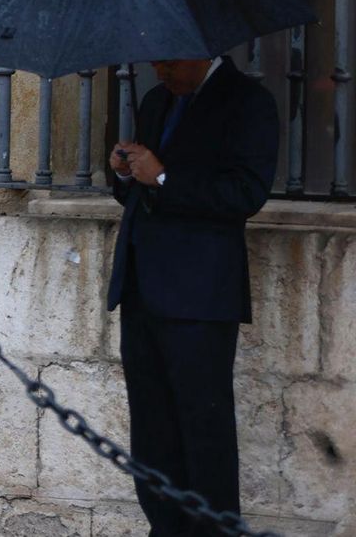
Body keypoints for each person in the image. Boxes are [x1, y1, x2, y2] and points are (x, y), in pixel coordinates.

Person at [107, 55, 279, 537]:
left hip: (200, 294)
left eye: (167, 60)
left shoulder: (249, 102)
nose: (158, 69)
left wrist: (163, 176)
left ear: (199, 50)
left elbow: (245, 194)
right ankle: (165, 528)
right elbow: (140, 196)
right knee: (152, 428)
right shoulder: (157, 101)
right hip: (142, 287)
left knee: (203, 429)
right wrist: (126, 173)